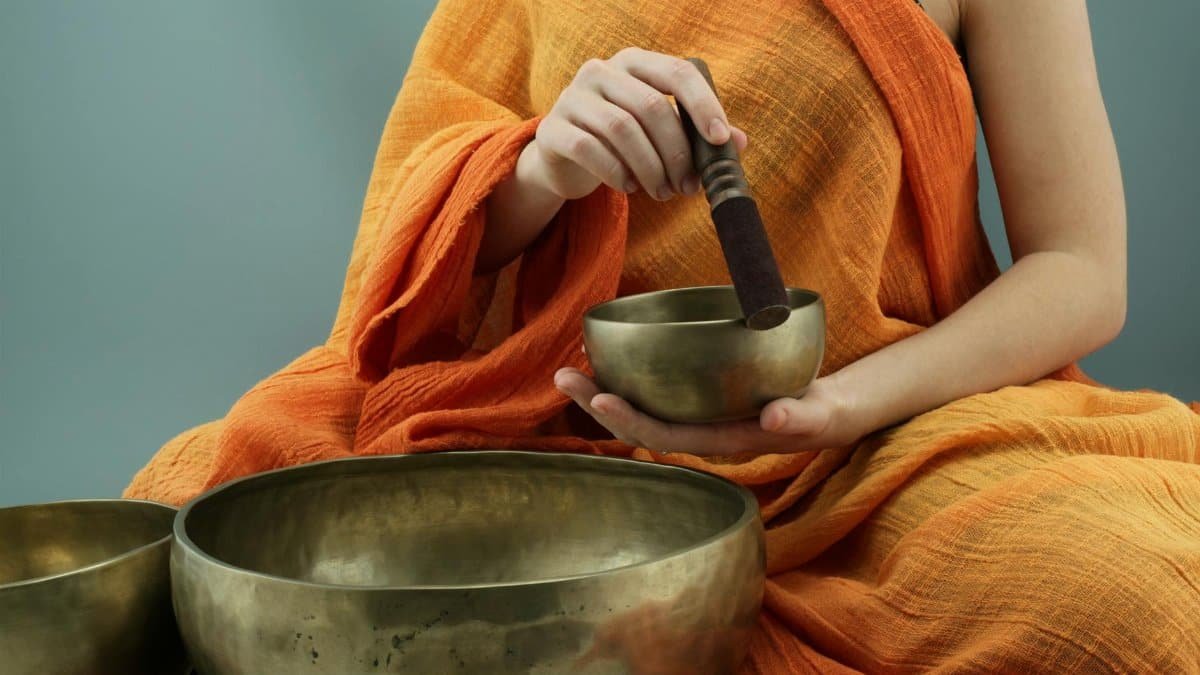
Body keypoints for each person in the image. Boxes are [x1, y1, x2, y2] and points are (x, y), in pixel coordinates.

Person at [127, 0, 1200, 671]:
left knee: (1128, 603)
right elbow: (401, 274)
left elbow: (1083, 270)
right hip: (548, 431)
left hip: (883, 446)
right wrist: (547, 164)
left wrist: (837, 408)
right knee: (177, 514)